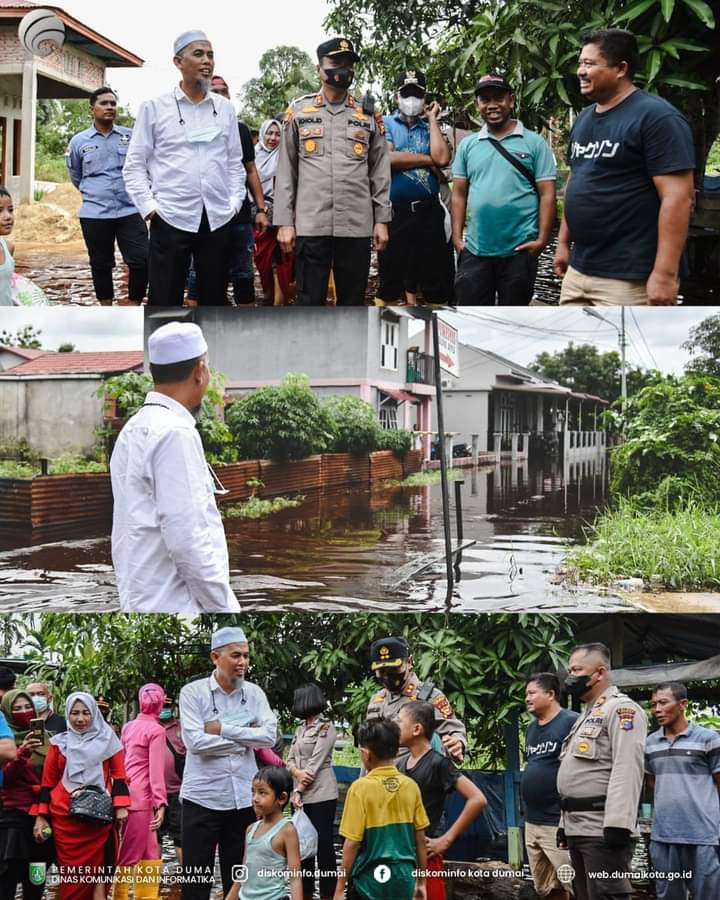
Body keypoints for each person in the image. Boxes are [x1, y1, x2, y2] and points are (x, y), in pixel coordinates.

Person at [554, 28, 695, 306]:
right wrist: (562, 243)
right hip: (579, 270)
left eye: (590, 64)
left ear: (621, 69)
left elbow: (678, 197)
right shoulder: (583, 119)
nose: (581, 71)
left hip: (630, 278)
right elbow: (577, 181)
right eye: (580, 63)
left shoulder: (656, 117)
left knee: (623, 347)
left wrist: (665, 274)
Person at [110, 321, 240, 613]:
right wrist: (225, 609)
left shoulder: (133, 430)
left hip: (141, 600)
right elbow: (187, 538)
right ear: (200, 371)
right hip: (178, 606)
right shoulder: (175, 433)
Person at [123, 31, 245, 306]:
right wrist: (150, 209)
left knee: (214, 300)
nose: (207, 61)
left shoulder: (225, 109)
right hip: (170, 216)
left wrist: (235, 203)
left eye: (211, 55)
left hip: (217, 216)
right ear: (178, 61)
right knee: (164, 300)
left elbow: (234, 163)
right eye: (198, 54)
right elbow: (134, 165)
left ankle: (212, 349)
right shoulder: (154, 108)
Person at [274, 37, 391, 305]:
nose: (343, 70)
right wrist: (284, 222)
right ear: (319, 69)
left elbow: (379, 171)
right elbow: (286, 169)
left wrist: (382, 219)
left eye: (349, 64)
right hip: (311, 224)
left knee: (352, 303)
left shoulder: (368, 114)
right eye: (335, 63)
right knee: (310, 302)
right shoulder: (300, 111)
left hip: (356, 226)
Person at [179, 626, 277, 900]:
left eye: (246, 656)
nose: (243, 662)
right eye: (236, 655)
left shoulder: (254, 693)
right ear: (215, 657)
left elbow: (269, 736)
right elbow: (195, 743)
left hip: (243, 802)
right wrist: (247, 737)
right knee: (195, 880)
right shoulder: (192, 693)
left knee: (240, 879)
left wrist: (222, 728)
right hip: (202, 799)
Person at [451, 73, 556, 305]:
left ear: (511, 100)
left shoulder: (534, 143)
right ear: (477, 104)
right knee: (471, 314)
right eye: (485, 99)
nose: (492, 105)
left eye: (498, 98)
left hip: (519, 251)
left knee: (515, 313)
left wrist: (542, 240)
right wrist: (458, 240)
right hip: (476, 250)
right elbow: (459, 194)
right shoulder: (468, 145)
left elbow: (547, 194)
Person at [556, 643, 646, 900]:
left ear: (599, 672)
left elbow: (627, 768)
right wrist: (564, 823)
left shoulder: (621, 711)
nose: (570, 677)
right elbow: (578, 773)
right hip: (578, 827)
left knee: (608, 895)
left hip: (602, 830)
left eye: (577, 670)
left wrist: (618, 825)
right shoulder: (587, 714)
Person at [32, 692, 130, 900]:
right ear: (67, 714)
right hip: (64, 819)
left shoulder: (109, 741)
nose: (80, 719)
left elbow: (120, 776)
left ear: (94, 714)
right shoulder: (59, 744)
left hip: (99, 819)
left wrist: (121, 806)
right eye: (75, 713)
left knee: (100, 875)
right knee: (71, 878)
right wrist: (41, 815)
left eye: (86, 713)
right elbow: (48, 783)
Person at [66, 87, 149, 306]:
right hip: (95, 214)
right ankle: (106, 307)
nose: (110, 107)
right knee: (101, 264)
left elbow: (142, 167)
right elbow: (76, 175)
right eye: (104, 103)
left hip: (130, 210)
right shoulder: (78, 142)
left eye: (113, 103)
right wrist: (95, 193)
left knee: (141, 259)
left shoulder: (130, 136)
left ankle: (133, 305)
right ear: (92, 109)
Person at [377, 70, 453, 306]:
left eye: (417, 94)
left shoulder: (429, 127)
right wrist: (426, 159)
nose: (412, 100)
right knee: (390, 281)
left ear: (425, 98)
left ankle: (436, 335)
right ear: (397, 97)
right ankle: (386, 335)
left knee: (436, 283)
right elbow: (387, 158)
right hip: (395, 213)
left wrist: (432, 119)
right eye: (406, 94)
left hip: (429, 212)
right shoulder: (386, 123)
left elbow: (442, 158)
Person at [397, 702, 487, 900]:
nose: (395, 727)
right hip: (402, 853)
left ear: (417, 729)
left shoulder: (438, 763)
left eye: (399, 721)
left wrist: (445, 840)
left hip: (427, 853)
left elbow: (477, 799)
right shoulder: (400, 764)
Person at [334, 719, 428, 900]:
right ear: (396, 750)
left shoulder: (360, 788)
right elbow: (420, 839)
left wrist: (339, 889)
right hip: (403, 880)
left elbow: (351, 843)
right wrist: (422, 882)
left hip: (370, 882)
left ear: (365, 754)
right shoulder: (411, 786)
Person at [645, 681, 720, 900]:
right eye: (653, 704)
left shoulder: (709, 739)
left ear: (682, 704)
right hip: (663, 834)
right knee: (668, 894)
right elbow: (653, 783)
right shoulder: (650, 743)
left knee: (708, 894)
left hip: (703, 835)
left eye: (663, 703)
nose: (657, 709)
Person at [521, 673, 579, 900]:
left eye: (532, 693)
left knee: (572, 884)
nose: (527, 698)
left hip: (557, 822)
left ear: (551, 694)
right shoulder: (531, 729)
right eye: (526, 694)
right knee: (546, 888)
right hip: (532, 821)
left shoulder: (571, 721)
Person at [366, 636, 466, 763]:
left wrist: (458, 743)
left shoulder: (429, 697)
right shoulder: (376, 700)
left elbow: (454, 729)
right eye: (381, 671)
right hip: (378, 778)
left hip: (415, 778)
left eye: (394, 669)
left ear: (409, 662)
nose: (387, 676)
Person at [114, 684, 168, 900]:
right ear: (161, 703)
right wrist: (161, 803)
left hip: (128, 794)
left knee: (150, 851)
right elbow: (156, 771)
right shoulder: (157, 730)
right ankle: (119, 896)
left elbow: (121, 761)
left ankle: (146, 897)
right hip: (143, 798)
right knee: (129, 853)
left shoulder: (128, 727)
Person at [0, 689, 54, 900]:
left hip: (41, 818)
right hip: (12, 823)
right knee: (7, 880)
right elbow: (7, 779)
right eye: (17, 708)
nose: (24, 711)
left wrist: (43, 813)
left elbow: (53, 778)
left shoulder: (48, 740)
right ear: (7, 712)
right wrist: (22, 753)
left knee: (36, 879)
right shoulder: (5, 742)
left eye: (28, 706)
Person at [287, 684, 338, 900]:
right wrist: (296, 773)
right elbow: (288, 759)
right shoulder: (300, 729)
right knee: (302, 844)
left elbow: (315, 764)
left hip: (321, 793)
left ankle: (329, 892)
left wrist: (299, 789)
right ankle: (305, 891)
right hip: (299, 794)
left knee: (324, 844)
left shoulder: (326, 728)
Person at [225, 765, 303, 900]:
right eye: (253, 792)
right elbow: (244, 870)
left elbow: (295, 878)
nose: (255, 798)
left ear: (282, 798)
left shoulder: (287, 831)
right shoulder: (250, 829)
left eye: (262, 793)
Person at [253, 119, 294, 305]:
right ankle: (268, 294)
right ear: (262, 134)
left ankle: (279, 301)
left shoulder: (285, 157)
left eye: (278, 134)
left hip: (283, 214)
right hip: (259, 216)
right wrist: (258, 207)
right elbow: (247, 185)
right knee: (263, 260)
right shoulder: (253, 156)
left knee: (281, 261)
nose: (273, 138)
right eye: (269, 133)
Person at [159, 696, 185, 865]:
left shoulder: (182, 728)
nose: (164, 709)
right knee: (155, 837)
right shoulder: (150, 727)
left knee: (181, 838)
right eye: (161, 705)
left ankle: (187, 882)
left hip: (178, 792)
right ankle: (152, 884)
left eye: (167, 705)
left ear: (173, 706)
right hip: (156, 794)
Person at [0, 187, 15, 307]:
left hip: (7, 322)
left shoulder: (9, 247)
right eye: (0, 211)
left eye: (10, 210)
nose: (8, 216)